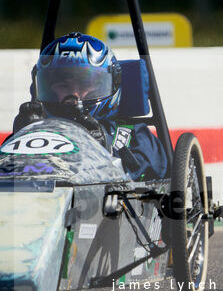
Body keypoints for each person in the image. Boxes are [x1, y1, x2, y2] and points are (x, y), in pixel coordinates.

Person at [13, 32, 168, 181]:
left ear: (111, 84)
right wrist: (20, 137)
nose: (74, 95)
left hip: (106, 205)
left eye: (84, 85)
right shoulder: (39, 131)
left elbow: (154, 168)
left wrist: (105, 149)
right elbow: (2, 173)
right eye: (63, 86)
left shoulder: (130, 134)